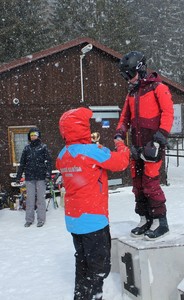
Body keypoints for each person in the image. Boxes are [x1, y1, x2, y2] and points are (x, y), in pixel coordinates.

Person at [56, 107, 129, 300]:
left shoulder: (63, 155)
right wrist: (121, 145)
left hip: (74, 220)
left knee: (82, 262)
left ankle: (81, 296)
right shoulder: (91, 152)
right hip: (93, 219)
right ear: (82, 129)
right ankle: (94, 296)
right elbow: (120, 163)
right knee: (98, 269)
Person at [115, 51, 174, 240]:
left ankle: (160, 221)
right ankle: (144, 218)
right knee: (138, 185)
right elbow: (125, 117)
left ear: (139, 70)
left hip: (152, 144)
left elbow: (168, 113)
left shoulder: (158, 88)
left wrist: (159, 138)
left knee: (151, 184)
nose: (128, 80)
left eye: (129, 75)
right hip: (137, 145)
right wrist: (119, 134)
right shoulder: (131, 94)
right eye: (125, 76)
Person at [16, 127, 52, 227]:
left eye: (35, 134)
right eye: (31, 135)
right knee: (30, 200)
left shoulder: (43, 147)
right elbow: (22, 163)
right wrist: (18, 176)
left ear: (38, 135)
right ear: (29, 137)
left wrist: (48, 174)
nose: (33, 136)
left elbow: (49, 162)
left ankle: (41, 219)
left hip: (41, 177)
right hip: (29, 177)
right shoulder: (26, 148)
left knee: (40, 199)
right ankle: (29, 219)